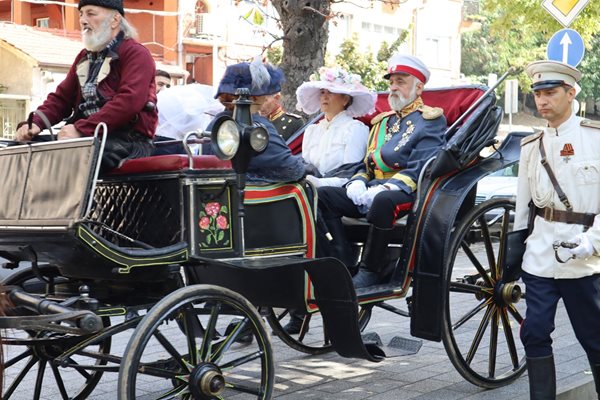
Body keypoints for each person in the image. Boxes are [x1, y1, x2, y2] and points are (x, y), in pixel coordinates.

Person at [317, 54, 447, 288]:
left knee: (384, 201)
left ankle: (371, 269)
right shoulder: (382, 122)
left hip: (407, 191)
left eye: (401, 81)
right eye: (391, 82)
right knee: (323, 196)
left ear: (419, 87)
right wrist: (357, 181)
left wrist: (388, 186)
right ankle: (342, 262)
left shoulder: (430, 120)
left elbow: (421, 165)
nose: (394, 87)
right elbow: (365, 164)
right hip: (371, 188)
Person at [515, 60, 600, 400]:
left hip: (583, 259)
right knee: (533, 332)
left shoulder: (595, 139)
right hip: (539, 258)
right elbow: (523, 208)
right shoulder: (530, 145)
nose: (543, 100)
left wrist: (593, 243)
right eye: (538, 94)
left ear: (571, 92)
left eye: (550, 93)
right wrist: (513, 256)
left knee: (593, 337)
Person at [15, 0, 156, 173]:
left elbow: (129, 101)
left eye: (91, 13)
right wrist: (36, 123)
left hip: (128, 140)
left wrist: (81, 130)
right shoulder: (84, 56)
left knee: (67, 155)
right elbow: (62, 99)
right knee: (19, 151)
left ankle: (80, 201)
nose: (82, 20)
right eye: (81, 14)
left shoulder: (136, 53)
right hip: (90, 136)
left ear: (115, 20)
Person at [206, 60, 305, 183]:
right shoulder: (256, 125)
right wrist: (306, 166)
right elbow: (290, 169)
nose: (266, 96)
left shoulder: (214, 124)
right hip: (250, 198)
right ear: (255, 96)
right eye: (265, 92)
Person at [296, 66, 375, 188]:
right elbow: (305, 166)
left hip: (338, 193)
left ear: (345, 100)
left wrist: (320, 183)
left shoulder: (355, 129)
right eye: (322, 92)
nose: (324, 97)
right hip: (308, 187)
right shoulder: (311, 131)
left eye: (331, 92)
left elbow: (351, 174)